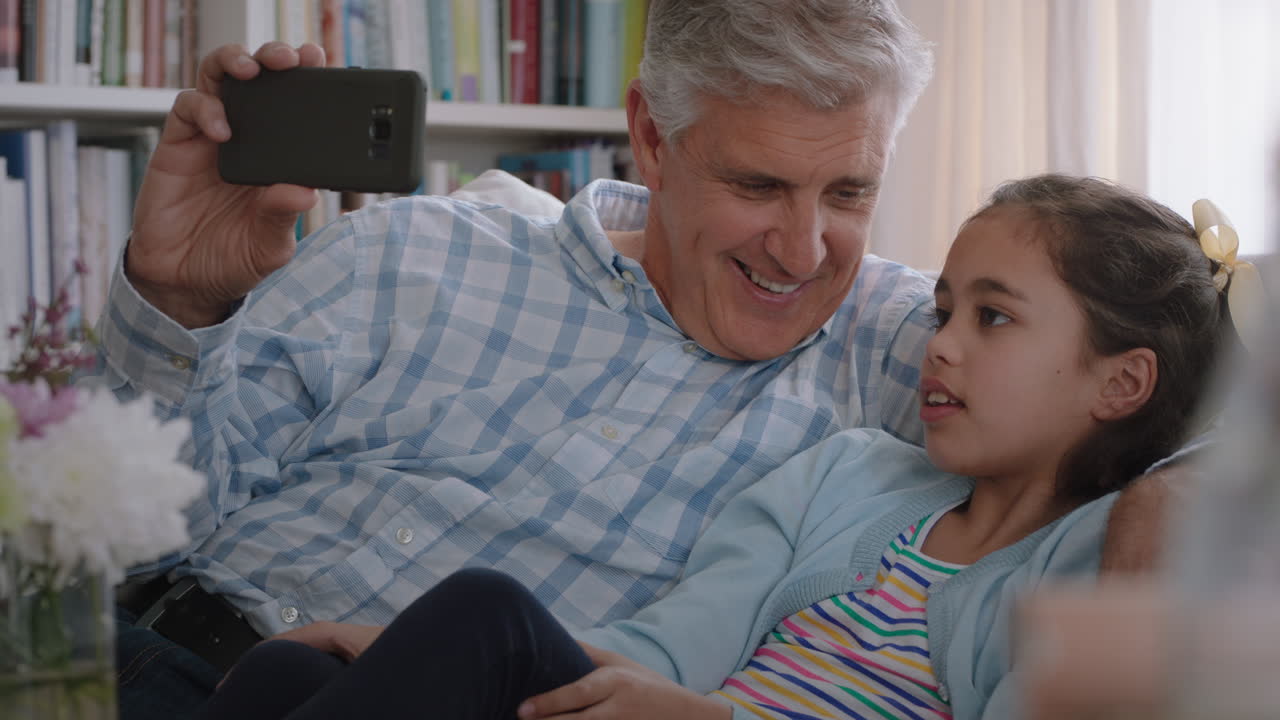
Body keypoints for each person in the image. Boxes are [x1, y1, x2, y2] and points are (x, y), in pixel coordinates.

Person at [100, 2, 1181, 718]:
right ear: (652, 139)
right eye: (758, 186)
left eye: (847, 193)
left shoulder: (914, 355)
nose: (803, 249)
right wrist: (179, 301)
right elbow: (109, 537)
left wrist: (1155, 505)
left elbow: (1177, 373)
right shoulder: (409, 252)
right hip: (141, 653)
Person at [192, 174, 1234, 720]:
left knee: (486, 607)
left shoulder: (1090, 564)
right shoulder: (851, 473)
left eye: (991, 320)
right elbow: (665, 647)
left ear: (1121, 382)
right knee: (297, 677)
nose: (939, 341)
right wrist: (410, 656)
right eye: (944, 307)